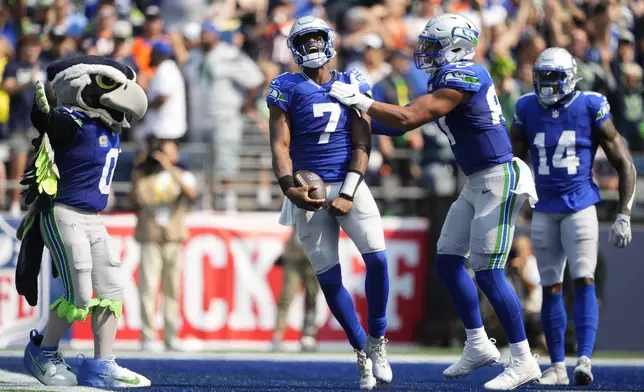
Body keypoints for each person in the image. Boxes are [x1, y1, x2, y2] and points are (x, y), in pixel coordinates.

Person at [329, 13, 541, 390]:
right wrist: (353, 112)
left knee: (489, 271)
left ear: (457, 46)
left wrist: (364, 101)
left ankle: (523, 359)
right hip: (476, 180)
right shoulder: (446, 78)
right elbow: (399, 121)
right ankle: (477, 343)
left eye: (434, 45)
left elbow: (409, 118)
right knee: (446, 261)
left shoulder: (466, 75)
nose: (426, 52)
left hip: (498, 177)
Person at [268, 15, 392, 390]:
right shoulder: (285, 86)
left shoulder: (352, 82)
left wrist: (349, 192)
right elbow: (280, 146)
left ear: (329, 40)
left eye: (316, 39)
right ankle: (359, 347)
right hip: (309, 190)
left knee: (378, 258)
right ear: (294, 47)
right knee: (328, 275)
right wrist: (290, 188)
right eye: (303, 41)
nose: (311, 47)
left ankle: (377, 339)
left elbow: (362, 144)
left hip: (349, 182)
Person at [16, 56, 150, 387]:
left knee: (111, 289)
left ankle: (101, 364)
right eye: (109, 83)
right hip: (62, 212)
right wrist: (43, 111)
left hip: (92, 217)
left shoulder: (108, 126)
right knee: (81, 294)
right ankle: (42, 351)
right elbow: (51, 123)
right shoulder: (71, 119)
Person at [511, 47, 636, 386]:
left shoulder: (591, 105)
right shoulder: (526, 107)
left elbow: (624, 161)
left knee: (584, 278)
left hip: (580, 203)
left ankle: (584, 358)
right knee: (550, 286)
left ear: (569, 78)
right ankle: (557, 367)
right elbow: (512, 162)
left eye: (553, 77)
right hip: (544, 207)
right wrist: (510, 208)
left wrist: (624, 211)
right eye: (542, 77)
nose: (546, 84)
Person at [130, 137, 197, 352]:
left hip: (173, 237)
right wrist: (140, 169)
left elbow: (191, 194)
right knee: (148, 288)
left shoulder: (181, 175)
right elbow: (132, 200)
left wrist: (169, 169)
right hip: (150, 236)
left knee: (172, 289)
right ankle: (148, 335)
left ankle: (171, 335)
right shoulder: (144, 176)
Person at [271, 229, 319, 353]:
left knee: (311, 297)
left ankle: (308, 335)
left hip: (314, 258)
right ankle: (278, 335)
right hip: (294, 257)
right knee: (286, 297)